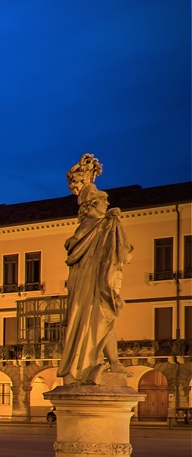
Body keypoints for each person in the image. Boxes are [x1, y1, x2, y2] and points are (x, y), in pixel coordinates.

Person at [56, 154, 132, 385]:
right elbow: (124, 255)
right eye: (102, 202)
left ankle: (112, 363)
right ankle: (107, 363)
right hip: (93, 286)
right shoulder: (103, 226)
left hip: (89, 287)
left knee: (102, 321)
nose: (106, 205)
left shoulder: (95, 228)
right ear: (92, 205)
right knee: (102, 320)